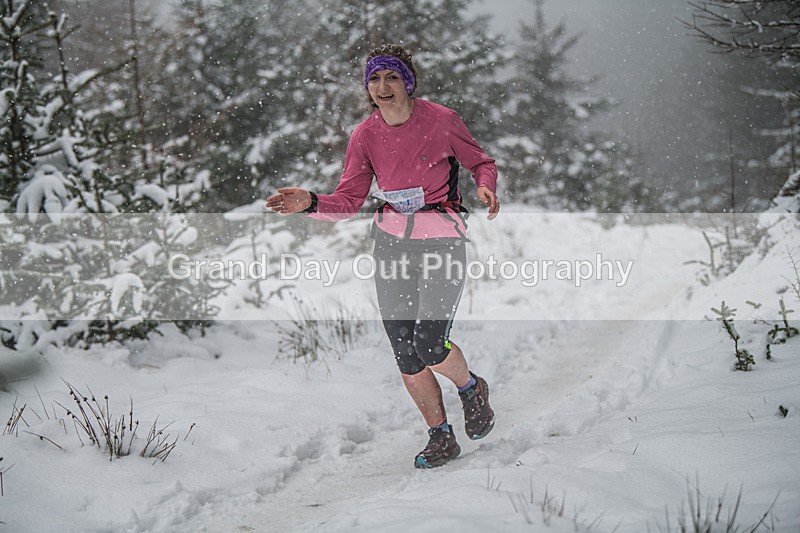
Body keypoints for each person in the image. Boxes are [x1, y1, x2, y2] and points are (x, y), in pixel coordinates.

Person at [266, 44, 499, 469]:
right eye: (374, 79)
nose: (382, 86)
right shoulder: (365, 135)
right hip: (392, 243)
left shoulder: (441, 121)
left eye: (391, 77)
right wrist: (310, 201)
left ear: (408, 82)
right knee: (405, 350)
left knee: (430, 343)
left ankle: (470, 388)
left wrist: (486, 186)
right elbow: (350, 199)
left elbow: (480, 161)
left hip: (441, 239)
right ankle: (440, 436)